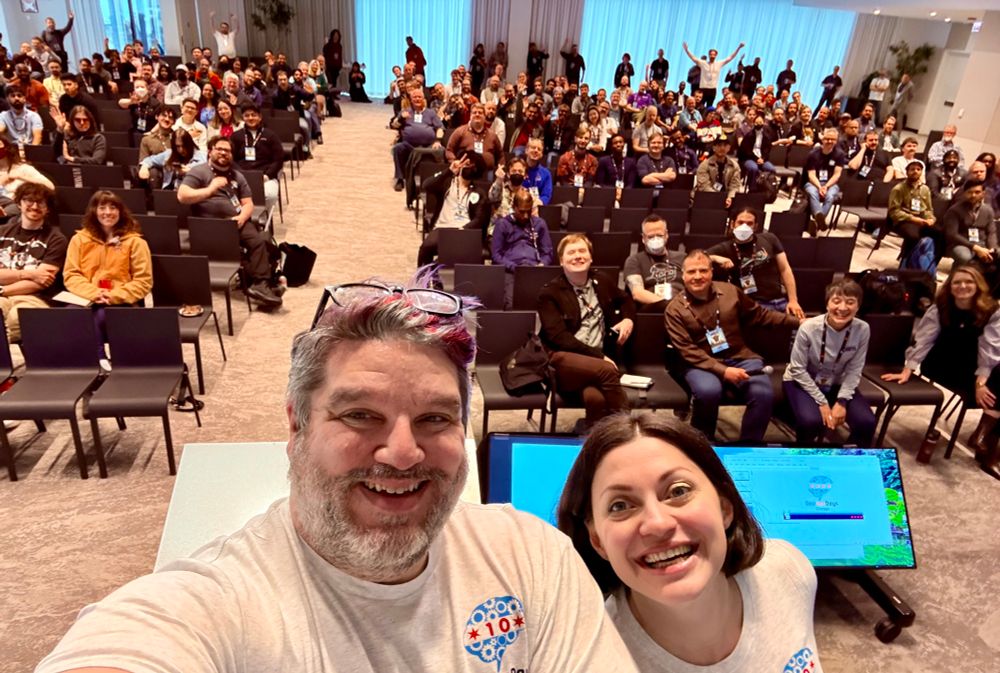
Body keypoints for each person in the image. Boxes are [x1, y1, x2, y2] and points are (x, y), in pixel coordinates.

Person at [37, 273, 638, 672]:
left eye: (434, 417)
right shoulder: (215, 605)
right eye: (360, 415)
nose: (403, 453)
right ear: (297, 426)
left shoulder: (532, 556)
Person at [556, 413, 823, 673]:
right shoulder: (592, 660)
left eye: (678, 491)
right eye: (620, 505)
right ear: (597, 541)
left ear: (724, 507)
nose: (658, 524)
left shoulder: (789, 571)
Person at [665, 250, 800, 442]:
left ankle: (747, 447)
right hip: (700, 363)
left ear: (711, 272)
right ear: (683, 275)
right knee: (708, 392)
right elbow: (686, 349)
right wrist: (723, 370)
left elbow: (761, 315)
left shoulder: (730, 291)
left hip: (740, 356)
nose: (697, 276)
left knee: (762, 393)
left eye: (703, 270)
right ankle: (703, 444)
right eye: (692, 272)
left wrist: (798, 322)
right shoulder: (675, 309)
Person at [882, 265, 1000, 464]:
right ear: (950, 286)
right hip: (942, 363)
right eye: (957, 282)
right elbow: (924, 339)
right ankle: (985, 438)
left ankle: (985, 436)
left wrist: (981, 381)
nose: (962, 286)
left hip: (974, 365)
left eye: (968, 282)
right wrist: (908, 368)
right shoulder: (941, 306)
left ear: (978, 285)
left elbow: (990, 347)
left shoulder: (992, 311)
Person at [538, 234, 634, 429]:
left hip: (594, 364)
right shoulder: (550, 293)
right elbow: (559, 338)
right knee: (608, 370)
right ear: (562, 261)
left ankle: (594, 442)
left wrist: (628, 319)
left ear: (591, 257)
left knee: (596, 399)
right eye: (571, 252)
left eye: (582, 251)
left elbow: (626, 299)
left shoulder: (602, 281)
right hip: (562, 359)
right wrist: (599, 357)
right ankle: (627, 432)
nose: (578, 256)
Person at [178, 135, 281, 307]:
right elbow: (183, 195)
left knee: (260, 242)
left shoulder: (237, 176)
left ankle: (260, 284)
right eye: (220, 149)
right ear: (210, 151)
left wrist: (241, 217)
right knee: (249, 251)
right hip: (209, 226)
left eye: (227, 150)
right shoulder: (199, 171)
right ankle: (258, 282)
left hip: (235, 222)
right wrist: (210, 189)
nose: (224, 153)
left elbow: (248, 204)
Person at [783, 279, 875, 447]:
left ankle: (847, 462)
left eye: (850, 302)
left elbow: (855, 369)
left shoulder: (863, 329)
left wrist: (842, 401)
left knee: (866, 422)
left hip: (837, 382)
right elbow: (797, 369)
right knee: (811, 422)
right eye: (836, 301)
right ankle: (804, 462)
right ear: (827, 304)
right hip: (803, 380)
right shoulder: (809, 328)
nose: (842, 308)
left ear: (858, 307)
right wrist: (822, 402)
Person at [707, 209, 805, 318]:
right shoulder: (725, 248)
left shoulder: (769, 239)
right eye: (740, 222)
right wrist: (716, 258)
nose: (745, 226)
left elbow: (785, 269)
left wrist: (793, 300)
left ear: (756, 226)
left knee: (802, 327)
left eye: (749, 223)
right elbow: (695, 258)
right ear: (732, 224)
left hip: (781, 300)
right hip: (755, 305)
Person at [0, 183, 67, 342]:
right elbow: (36, 276)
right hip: (3, 293)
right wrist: (30, 274)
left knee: (13, 322)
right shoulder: (2, 232)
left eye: (41, 203)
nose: (34, 206)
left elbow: (42, 281)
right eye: (29, 200)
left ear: (48, 209)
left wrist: (3, 289)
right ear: (19, 203)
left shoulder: (56, 239)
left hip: (34, 298)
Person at [62, 190, 152, 306]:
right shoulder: (78, 240)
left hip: (121, 301)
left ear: (120, 212)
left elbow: (143, 281)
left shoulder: (136, 243)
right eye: (102, 208)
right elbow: (71, 275)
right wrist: (95, 293)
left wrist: (114, 296)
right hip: (86, 299)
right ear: (94, 211)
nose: (108, 212)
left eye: (113, 208)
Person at [417, 153, 490, 266]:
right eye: (467, 163)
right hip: (442, 229)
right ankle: (422, 280)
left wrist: (463, 229)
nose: (468, 167)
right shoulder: (446, 182)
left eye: (472, 166)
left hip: (465, 231)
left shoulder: (479, 193)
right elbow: (426, 185)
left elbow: (479, 219)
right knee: (426, 247)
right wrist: (449, 171)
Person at [491, 189, 554, 308]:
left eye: (528, 211)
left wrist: (542, 265)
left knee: (548, 304)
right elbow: (496, 255)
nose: (525, 216)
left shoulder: (540, 224)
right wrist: (514, 268)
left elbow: (548, 252)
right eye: (522, 211)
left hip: (535, 270)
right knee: (511, 305)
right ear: (513, 207)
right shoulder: (502, 224)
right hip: (512, 270)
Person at [624, 214, 686, 313]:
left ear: (666, 235)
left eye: (660, 235)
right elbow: (638, 293)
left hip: (683, 310)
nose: (656, 239)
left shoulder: (683, 258)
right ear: (643, 238)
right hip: (653, 310)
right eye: (651, 236)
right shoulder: (634, 260)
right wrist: (671, 306)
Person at [231, 103, 284, 212]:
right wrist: (240, 175)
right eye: (247, 115)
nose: (250, 118)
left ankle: (262, 217)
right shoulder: (236, 136)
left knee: (270, 195)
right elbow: (231, 159)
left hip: (264, 177)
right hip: (241, 177)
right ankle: (244, 218)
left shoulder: (270, 135)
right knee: (228, 196)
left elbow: (278, 160)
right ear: (243, 118)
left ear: (260, 117)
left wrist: (267, 175)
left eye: (253, 115)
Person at [888, 159, 937, 275]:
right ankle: (905, 265)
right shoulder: (898, 189)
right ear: (907, 171)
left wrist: (931, 219)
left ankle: (929, 266)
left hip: (921, 219)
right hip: (903, 220)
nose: (915, 171)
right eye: (912, 169)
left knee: (938, 234)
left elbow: (928, 209)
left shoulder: (925, 189)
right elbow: (894, 212)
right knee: (913, 236)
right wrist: (914, 219)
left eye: (918, 169)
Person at [390, 88, 443, 191]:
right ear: (411, 99)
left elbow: (440, 128)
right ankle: (400, 179)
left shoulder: (430, 113)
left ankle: (435, 180)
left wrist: (437, 141)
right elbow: (394, 125)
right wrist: (401, 118)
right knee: (397, 148)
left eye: (419, 97)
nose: (417, 99)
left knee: (441, 151)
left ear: (423, 99)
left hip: (428, 146)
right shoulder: (406, 112)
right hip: (409, 145)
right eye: (415, 97)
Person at [942, 179, 997, 269]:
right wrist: (975, 248)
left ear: (983, 193)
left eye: (977, 192)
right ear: (964, 193)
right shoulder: (954, 210)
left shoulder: (988, 210)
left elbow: (991, 232)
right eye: (970, 192)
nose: (973, 195)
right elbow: (952, 235)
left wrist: (992, 248)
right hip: (961, 244)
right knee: (966, 257)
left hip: (982, 244)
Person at [803, 128, 845, 235]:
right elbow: (811, 175)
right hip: (813, 182)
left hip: (831, 183)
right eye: (827, 139)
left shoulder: (839, 154)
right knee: (813, 193)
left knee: (830, 196)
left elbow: (837, 174)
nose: (829, 142)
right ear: (822, 139)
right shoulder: (813, 154)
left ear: (836, 141)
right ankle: (819, 218)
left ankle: (817, 221)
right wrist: (819, 187)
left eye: (832, 139)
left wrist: (826, 186)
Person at [0, 135, 54, 214]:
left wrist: (20, 176)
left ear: (6, 147)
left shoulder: (23, 168)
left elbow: (50, 186)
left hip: (17, 207)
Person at [138, 128, 206, 190]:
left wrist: (191, 172)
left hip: (192, 194)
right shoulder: (169, 154)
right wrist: (144, 167)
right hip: (170, 193)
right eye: (178, 146)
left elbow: (208, 177)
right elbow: (150, 160)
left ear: (189, 144)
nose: (181, 150)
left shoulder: (203, 157)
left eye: (184, 146)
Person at [446, 102, 504, 173]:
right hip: (465, 172)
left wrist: (501, 168)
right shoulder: (460, 131)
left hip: (488, 172)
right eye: (474, 112)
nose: (477, 114)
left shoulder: (492, 135)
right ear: (470, 115)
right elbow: (449, 150)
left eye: (480, 113)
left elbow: (500, 155)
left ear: (484, 116)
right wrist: (454, 161)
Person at [682, 41, 744, 107]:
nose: (712, 56)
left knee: (709, 107)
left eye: (714, 54)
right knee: (700, 106)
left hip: (712, 89)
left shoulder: (719, 63)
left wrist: (739, 48)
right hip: (703, 88)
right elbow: (693, 58)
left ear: (716, 55)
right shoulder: (703, 63)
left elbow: (730, 58)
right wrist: (687, 50)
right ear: (709, 55)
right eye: (711, 54)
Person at [695, 136, 741, 209]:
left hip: (727, 199)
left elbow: (735, 185)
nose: (722, 148)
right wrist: (719, 199)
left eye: (725, 145)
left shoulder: (734, 166)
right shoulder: (704, 165)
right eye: (719, 145)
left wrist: (730, 197)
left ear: (729, 148)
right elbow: (704, 186)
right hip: (708, 197)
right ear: (714, 148)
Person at [522, 138, 553, 206]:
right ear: (526, 150)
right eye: (533, 148)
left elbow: (546, 195)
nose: (536, 150)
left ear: (541, 154)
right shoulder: (519, 169)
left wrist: (539, 202)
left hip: (537, 206)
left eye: (539, 149)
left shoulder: (546, 173)